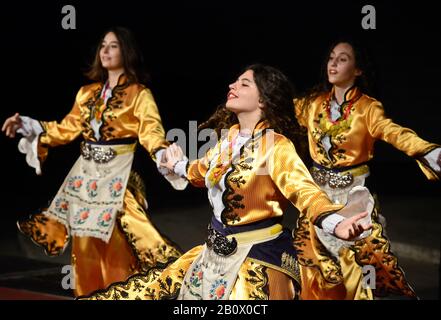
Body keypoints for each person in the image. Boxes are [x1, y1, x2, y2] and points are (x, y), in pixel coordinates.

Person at [81, 64, 373, 300]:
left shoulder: (276, 146)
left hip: (256, 259)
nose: (232, 86)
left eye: (244, 83)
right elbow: (200, 171)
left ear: (263, 100)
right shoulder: (229, 140)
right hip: (214, 254)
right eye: (234, 81)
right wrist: (176, 164)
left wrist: (335, 221)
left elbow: (305, 192)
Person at [1, 26, 185, 297]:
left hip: (117, 181)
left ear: (127, 51)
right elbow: (65, 129)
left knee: (117, 251)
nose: (105, 51)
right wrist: (26, 125)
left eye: (113, 45)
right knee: (85, 250)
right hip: (84, 181)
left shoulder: (139, 94)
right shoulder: (87, 93)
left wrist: (165, 154)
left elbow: (151, 133)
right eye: (102, 46)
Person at [293, 39, 441, 300]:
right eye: (331, 58)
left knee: (355, 267)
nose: (334, 63)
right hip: (317, 197)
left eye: (343, 59)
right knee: (317, 267)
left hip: (353, 197)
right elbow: (280, 109)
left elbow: (393, 132)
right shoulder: (312, 104)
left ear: (358, 69)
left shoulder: (367, 109)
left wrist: (427, 150)